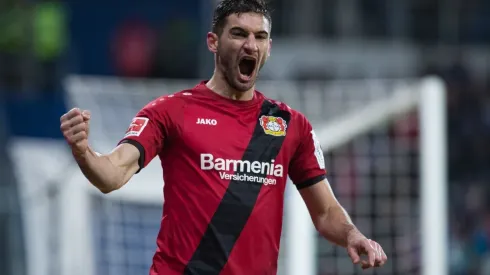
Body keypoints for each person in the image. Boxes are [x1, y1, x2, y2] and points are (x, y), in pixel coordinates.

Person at [60, 0, 387, 274]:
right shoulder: (171, 112)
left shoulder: (289, 125)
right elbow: (113, 175)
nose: (250, 44)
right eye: (238, 34)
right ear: (213, 42)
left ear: (268, 48)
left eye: (260, 37)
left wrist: (350, 234)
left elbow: (325, 211)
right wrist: (84, 152)